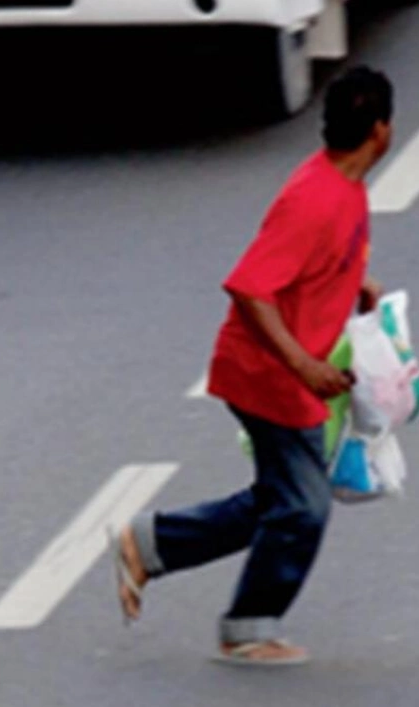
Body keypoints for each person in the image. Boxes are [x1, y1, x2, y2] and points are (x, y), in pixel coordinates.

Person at [107, 65, 395, 666]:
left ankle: (149, 543)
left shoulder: (342, 185)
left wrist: (351, 282)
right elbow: (249, 288)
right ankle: (248, 628)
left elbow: (306, 266)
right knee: (304, 507)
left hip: (290, 373)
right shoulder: (315, 199)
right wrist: (303, 367)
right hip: (270, 377)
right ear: (382, 131)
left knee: (278, 499)